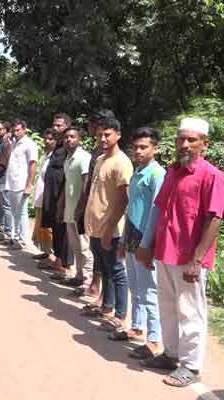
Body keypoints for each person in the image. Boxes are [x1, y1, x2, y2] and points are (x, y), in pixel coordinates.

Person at [140, 118, 223, 387]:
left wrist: (197, 259)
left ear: (204, 144)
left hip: (190, 258)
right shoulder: (173, 171)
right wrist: (150, 245)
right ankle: (170, 354)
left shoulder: (212, 175)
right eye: (181, 139)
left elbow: (214, 219)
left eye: (191, 140)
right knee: (167, 306)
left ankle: (191, 366)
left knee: (190, 312)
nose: (185, 144)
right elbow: (162, 209)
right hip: (166, 252)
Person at [110, 127, 165, 359]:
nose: (139, 151)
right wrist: (123, 240)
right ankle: (137, 326)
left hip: (145, 239)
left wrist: (147, 244)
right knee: (135, 287)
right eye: (136, 147)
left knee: (149, 290)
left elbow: (156, 210)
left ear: (156, 148)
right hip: (131, 235)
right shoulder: (138, 173)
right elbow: (132, 208)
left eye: (144, 147)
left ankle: (154, 339)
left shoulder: (157, 174)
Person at [83, 117, 132, 332]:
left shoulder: (122, 163)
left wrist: (109, 229)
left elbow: (124, 200)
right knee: (103, 268)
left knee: (117, 272)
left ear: (118, 135)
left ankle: (120, 316)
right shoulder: (101, 159)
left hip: (111, 229)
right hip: (96, 225)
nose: (102, 138)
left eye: (107, 134)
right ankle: (106, 307)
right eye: (99, 134)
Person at [60, 127, 94, 294]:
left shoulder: (84, 158)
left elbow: (86, 186)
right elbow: (68, 185)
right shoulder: (68, 159)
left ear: (79, 139)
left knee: (85, 247)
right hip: (70, 210)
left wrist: (81, 209)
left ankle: (88, 281)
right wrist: (62, 206)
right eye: (66, 137)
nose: (69, 140)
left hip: (81, 212)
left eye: (72, 137)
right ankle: (79, 276)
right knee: (75, 246)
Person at [41, 114, 74, 279]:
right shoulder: (58, 145)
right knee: (55, 228)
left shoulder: (69, 148)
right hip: (51, 195)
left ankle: (65, 266)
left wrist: (62, 199)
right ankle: (57, 258)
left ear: (67, 126)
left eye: (59, 126)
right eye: (54, 125)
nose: (55, 128)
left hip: (62, 196)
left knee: (63, 231)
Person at [6, 120, 38, 249]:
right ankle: (16, 237)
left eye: (18, 130)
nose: (16, 132)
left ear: (25, 129)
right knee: (14, 212)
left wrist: (29, 185)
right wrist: (9, 144)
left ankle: (23, 240)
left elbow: (33, 164)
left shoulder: (30, 144)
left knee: (22, 212)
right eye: (14, 130)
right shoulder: (14, 143)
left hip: (21, 182)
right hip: (12, 182)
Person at [32, 129, 56, 263]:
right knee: (41, 227)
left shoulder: (56, 157)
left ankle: (52, 256)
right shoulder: (47, 155)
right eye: (45, 139)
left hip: (48, 198)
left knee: (48, 229)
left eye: (50, 139)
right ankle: (45, 252)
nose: (47, 141)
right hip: (40, 196)